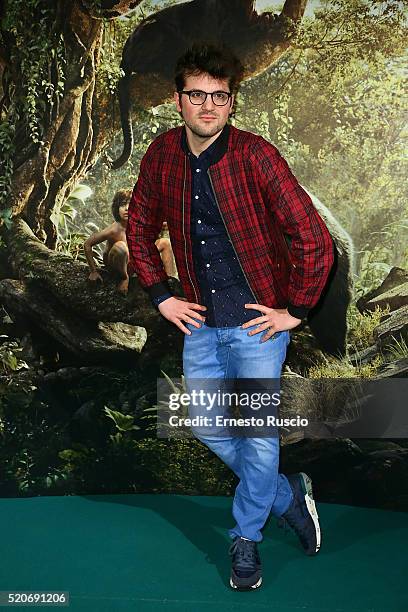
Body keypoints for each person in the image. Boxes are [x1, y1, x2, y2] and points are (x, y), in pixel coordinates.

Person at [126, 43, 334, 591]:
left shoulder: (257, 156)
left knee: (258, 437)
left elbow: (313, 238)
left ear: (231, 103)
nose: (209, 106)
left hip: (255, 327)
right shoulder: (161, 155)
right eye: (198, 95)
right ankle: (288, 495)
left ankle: (246, 539)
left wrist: (297, 310)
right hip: (198, 323)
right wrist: (160, 295)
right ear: (179, 101)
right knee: (204, 425)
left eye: (220, 97)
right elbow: (140, 228)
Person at [84, 189, 175, 293]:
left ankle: (170, 282)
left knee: (165, 242)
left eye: (131, 204)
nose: (127, 208)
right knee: (121, 246)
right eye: (123, 205)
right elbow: (87, 244)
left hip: (133, 264)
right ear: (117, 208)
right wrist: (93, 271)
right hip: (116, 267)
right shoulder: (114, 229)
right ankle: (124, 278)